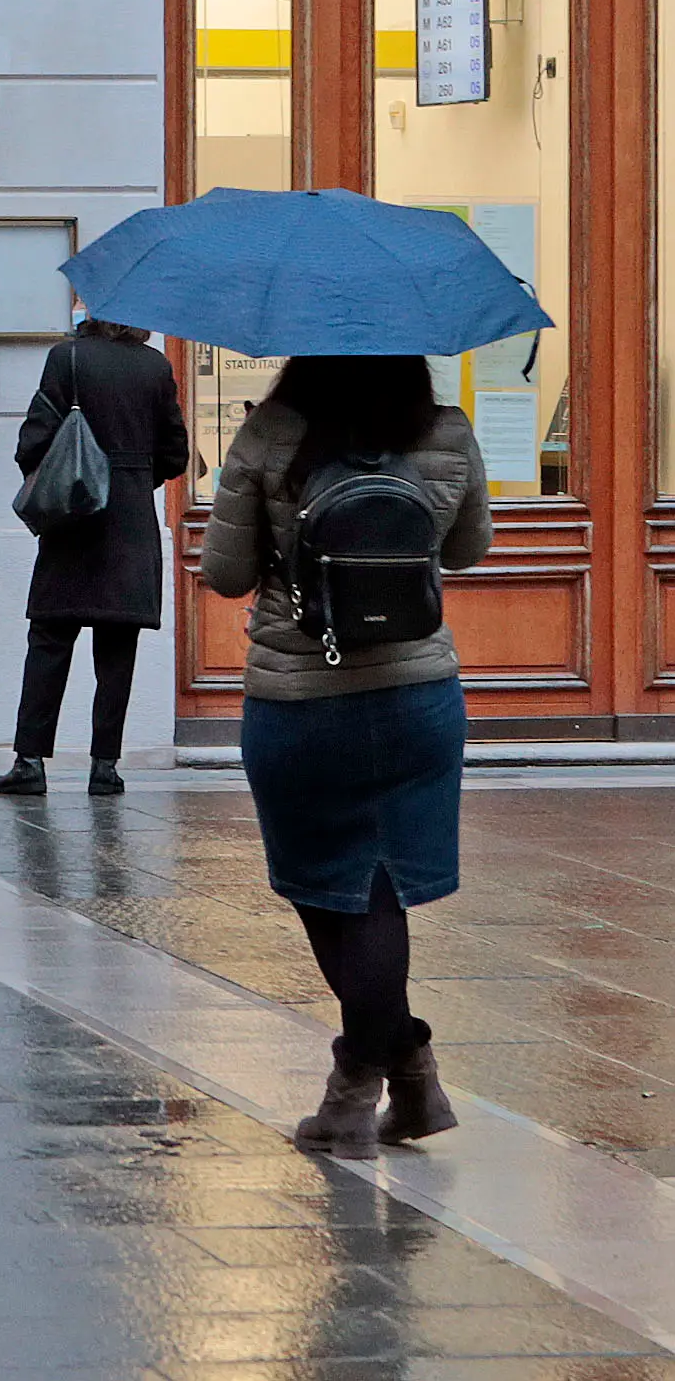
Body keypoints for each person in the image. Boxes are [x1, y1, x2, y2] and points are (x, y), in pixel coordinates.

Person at [199, 355, 488, 1154]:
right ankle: (410, 1075)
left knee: (331, 889)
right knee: (377, 885)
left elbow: (222, 574)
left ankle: (354, 1093)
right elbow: (467, 550)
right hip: (416, 699)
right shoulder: (446, 430)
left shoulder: (269, 432)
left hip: (301, 699)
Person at [0, 316, 188, 798]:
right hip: (131, 520)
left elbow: (33, 440)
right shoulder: (155, 368)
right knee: (117, 647)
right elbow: (175, 455)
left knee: (50, 640)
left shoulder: (68, 358)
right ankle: (105, 766)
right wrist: (133, 477)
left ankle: (31, 761)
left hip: (73, 516)